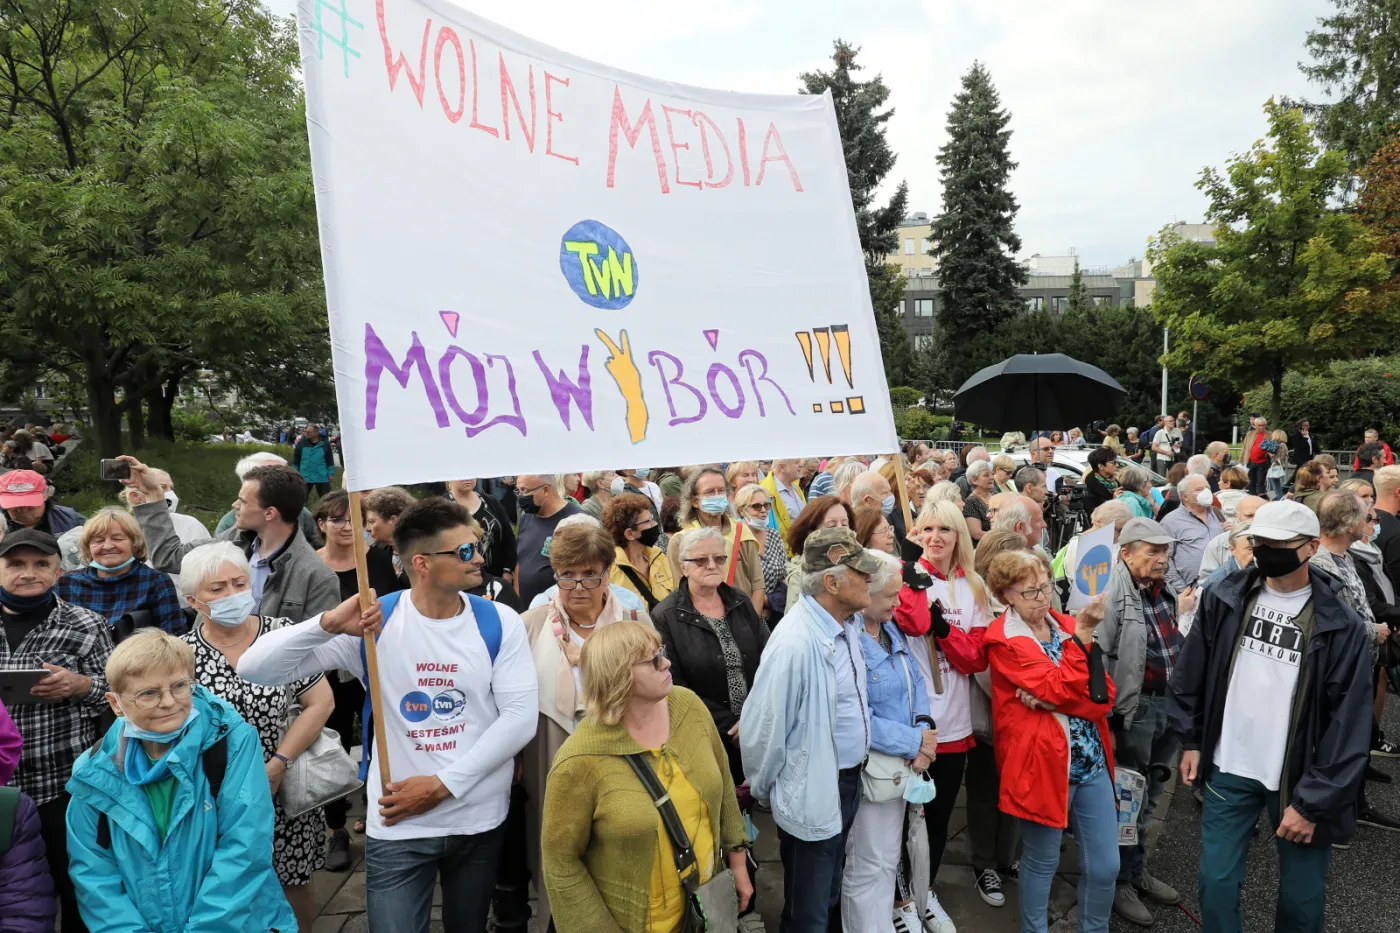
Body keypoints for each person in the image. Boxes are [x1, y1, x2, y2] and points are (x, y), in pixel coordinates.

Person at [239, 498, 538, 933]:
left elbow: (518, 716)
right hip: (399, 822)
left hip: (477, 817)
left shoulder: (500, 621)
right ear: (422, 563)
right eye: (466, 552)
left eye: (477, 547)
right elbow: (255, 667)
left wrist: (442, 785)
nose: (481, 560)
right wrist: (326, 624)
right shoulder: (375, 622)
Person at [1170, 500, 1372, 933]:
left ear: (1312, 547)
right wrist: (1191, 739)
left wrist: (1314, 801)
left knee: (1302, 901)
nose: (1265, 551)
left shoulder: (1342, 624)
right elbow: (1193, 672)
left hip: (1300, 780)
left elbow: (1348, 724)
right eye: (1259, 542)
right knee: (1215, 883)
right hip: (1229, 766)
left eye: (1278, 544)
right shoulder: (1225, 598)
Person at [66, 630, 293, 933]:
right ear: (116, 703)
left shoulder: (231, 743)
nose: (169, 702)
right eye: (148, 693)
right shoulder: (93, 771)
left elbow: (246, 847)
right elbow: (93, 871)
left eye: (179, 686)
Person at [541, 620, 752, 933]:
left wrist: (738, 860)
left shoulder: (688, 706)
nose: (666, 662)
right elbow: (560, 864)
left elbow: (722, 783)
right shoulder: (579, 761)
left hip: (705, 912)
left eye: (661, 652)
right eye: (653, 660)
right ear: (619, 676)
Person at [173, 542, 334, 930]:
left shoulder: (281, 635)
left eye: (239, 582)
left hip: (283, 781)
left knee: (292, 878)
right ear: (194, 600)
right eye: (218, 588)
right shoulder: (181, 653)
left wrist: (277, 765)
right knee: (224, 884)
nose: (232, 594)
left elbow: (321, 702)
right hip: (215, 794)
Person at [742, 528, 881, 933]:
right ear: (832, 582)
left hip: (845, 779)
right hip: (816, 787)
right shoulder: (795, 642)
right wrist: (770, 790)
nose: (870, 579)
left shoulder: (843, 623)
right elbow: (763, 730)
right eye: (861, 573)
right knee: (810, 907)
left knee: (827, 889)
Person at [518, 522, 651, 930]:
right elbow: (516, 700)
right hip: (552, 755)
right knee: (558, 848)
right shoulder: (532, 624)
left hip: (622, 754)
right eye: (567, 574)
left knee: (619, 846)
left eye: (590, 573)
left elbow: (654, 689)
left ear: (609, 571)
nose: (578, 585)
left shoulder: (633, 618)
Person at [983, 550, 1116, 933]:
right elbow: (1060, 686)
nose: (1043, 598)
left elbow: (1103, 695)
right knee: (1041, 863)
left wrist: (1057, 699)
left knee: (1106, 865)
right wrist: (1084, 637)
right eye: (1030, 592)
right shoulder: (1005, 640)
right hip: (1041, 765)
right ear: (1006, 596)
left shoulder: (1062, 623)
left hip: (1089, 760)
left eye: (1045, 587)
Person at [1, 528, 114, 932]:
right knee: (14, 900)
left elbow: (121, 695)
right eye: (15, 564)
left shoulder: (87, 624)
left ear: (59, 572)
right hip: (0, 792)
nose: (27, 573)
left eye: (40, 564)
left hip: (64, 786)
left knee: (77, 889)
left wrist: (81, 685)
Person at [895, 499, 992, 932]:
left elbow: (975, 658)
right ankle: (901, 901)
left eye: (945, 530)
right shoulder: (905, 578)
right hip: (909, 721)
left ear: (959, 536)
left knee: (936, 819)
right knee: (898, 821)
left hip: (953, 722)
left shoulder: (973, 586)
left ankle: (925, 891)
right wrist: (913, 581)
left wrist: (946, 630)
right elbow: (912, 625)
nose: (935, 537)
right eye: (926, 529)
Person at [1093, 518, 1196, 926]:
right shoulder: (1111, 591)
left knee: (1151, 793)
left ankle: (1137, 872)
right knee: (1125, 799)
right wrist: (1114, 718)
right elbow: (1097, 656)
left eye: (1165, 551)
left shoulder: (1162, 588)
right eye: (1152, 551)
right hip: (1135, 711)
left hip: (1167, 705)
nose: (1162, 559)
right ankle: (1117, 882)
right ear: (1127, 552)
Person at [124, 457, 341, 628]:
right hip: (214, 673)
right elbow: (168, 557)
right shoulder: (232, 540)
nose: (234, 504)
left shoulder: (317, 577)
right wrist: (153, 494)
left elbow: (319, 650)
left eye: (243, 501)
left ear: (270, 513)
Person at [841, 551, 935, 933]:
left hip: (901, 766)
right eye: (891, 596)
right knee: (868, 863)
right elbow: (855, 715)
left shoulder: (888, 628)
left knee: (887, 858)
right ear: (865, 593)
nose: (899, 603)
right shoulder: (849, 640)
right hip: (872, 769)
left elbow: (916, 682)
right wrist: (915, 742)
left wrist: (925, 733)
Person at [312, 489, 406, 853]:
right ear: (322, 524)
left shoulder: (377, 560)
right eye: (338, 519)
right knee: (330, 747)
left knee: (376, 741)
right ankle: (335, 830)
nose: (348, 527)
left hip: (375, 671)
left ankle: (377, 809)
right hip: (327, 675)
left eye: (354, 519)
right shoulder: (313, 565)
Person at [652, 526, 769, 810]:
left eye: (719, 558)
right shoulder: (666, 615)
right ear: (683, 566)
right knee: (716, 809)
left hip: (755, 729)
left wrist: (753, 719)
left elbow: (769, 660)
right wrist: (729, 725)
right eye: (701, 560)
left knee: (749, 809)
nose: (712, 565)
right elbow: (674, 684)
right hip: (704, 735)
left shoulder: (739, 601)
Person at [53, 508, 187, 636]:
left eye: (117, 539)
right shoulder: (66, 583)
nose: (107, 546)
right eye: (98, 540)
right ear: (88, 547)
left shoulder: (155, 582)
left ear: (134, 543)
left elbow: (173, 637)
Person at [667, 468, 766, 617]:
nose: (717, 496)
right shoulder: (680, 541)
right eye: (709, 492)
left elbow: (758, 584)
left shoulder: (741, 532)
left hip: (744, 618)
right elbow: (679, 593)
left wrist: (751, 622)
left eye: (721, 491)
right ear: (695, 501)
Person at [213, 452, 323, 548]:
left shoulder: (301, 513)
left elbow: (317, 546)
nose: (289, 478)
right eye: (277, 473)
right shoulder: (229, 524)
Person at [513, 474, 583, 607]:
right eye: (518, 491)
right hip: (528, 610)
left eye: (525, 490)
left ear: (546, 490)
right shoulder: (526, 518)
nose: (521, 496)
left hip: (560, 610)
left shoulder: (576, 521)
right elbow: (520, 561)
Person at [603, 491, 676, 611]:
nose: (655, 524)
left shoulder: (658, 556)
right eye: (648, 521)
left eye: (652, 519)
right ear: (630, 534)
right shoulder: (610, 570)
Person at [783, 496, 856, 614]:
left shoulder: (858, 561)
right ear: (811, 533)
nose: (840, 530)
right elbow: (795, 621)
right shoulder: (801, 575)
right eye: (831, 525)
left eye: (844, 524)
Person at [734, 483, 789, 619]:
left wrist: (769, 603)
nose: (763, 510)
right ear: (742, 510)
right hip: (746, 614)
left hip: (776, 611)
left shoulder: (773, 535)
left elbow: (784, 577)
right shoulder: (737, 540)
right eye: (757, 506)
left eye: (766, 505)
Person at [1160, 474, 1223, 591]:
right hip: (1191, 592)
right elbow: (1165, 558)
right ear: (1185, 497)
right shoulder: (1170, 521)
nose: (1206, 492)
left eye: (1207, 488)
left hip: (1222, 589)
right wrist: (1182, 590)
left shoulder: (1217, 514)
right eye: (1199, 489)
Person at [1197, 496, 1267, 581]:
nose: (1255, 520)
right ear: (1237, 517)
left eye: (1261, 515)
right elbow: (1206, 583)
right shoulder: (1218, 544)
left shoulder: (1281, 540)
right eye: (1249, 516)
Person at [0, 470, 83, 537]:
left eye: (30, 504)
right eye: (15, 505)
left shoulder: (71, 519)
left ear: (46, 493)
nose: (23, 510)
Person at [761, 459, 807, 556]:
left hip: (801, 553)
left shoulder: (795, 487)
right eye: (797, 462)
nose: (801, 464)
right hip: (784, 557)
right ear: (782, 467)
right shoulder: (765, 491)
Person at [291, 423, 336, 497]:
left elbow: (329, 460)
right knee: (300, 498)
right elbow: (296, 460)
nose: (306, 433)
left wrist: (330, 473)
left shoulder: (325, 444)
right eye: (306, 431)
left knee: (326, 499)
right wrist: (294, 473)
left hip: (321, 476)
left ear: (316, 433)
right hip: (305, 476)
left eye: (309, 432)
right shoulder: (301, 444)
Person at [962, 461, 995, 545]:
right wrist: (1002, 537)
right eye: (986, 475)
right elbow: (977, 534)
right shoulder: (970, 502)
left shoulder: (996, 495)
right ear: (974, 481)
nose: (991, 477)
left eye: (992, 474)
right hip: (985, 548)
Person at [1084, 447, 1119, 514]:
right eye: (1113, 462)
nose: (1117, 465)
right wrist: (1113, 501)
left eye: (1116, 462)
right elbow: (1094, 514)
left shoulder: (1114, 481)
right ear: (1101, 466)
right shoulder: (1091, 485)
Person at [1242, 415, 1271, 496]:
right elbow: (1245, 446)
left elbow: (1272, 449)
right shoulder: (1250, 434)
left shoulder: (1269, 434)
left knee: (1261, 481)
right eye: (1259, 425)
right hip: (1251, 461)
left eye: (1263, 425)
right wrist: (1242, 458)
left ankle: (1261, 498)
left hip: (1263, 461)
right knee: (1250, 481)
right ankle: (1252, 497)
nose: (1261, 427)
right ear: (1255, 425)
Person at [1267, 431, 1292, 501]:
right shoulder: (1279, 445)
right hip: (1275, 466)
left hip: (1276, 467)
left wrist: (1272, 456)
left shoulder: (1282, 445)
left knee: (1276, 487)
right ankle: (1273, 500)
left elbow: (1281, 457)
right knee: (1271, 487)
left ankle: (1279, 500)